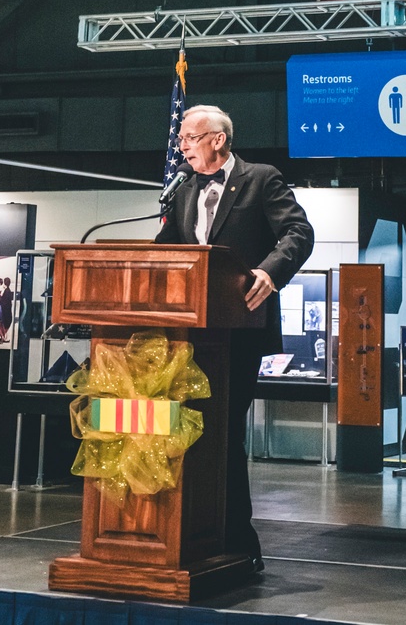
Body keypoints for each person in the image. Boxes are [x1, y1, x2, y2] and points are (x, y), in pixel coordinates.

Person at [155, 104, 313, 571]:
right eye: (181, 138)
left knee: (222, 432)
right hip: (187, 335)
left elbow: (298, 231)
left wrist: (270, 272)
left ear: (217, 139)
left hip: (238, 332)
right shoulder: (182, 189)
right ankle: (190, 535)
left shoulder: (261, 178)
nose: (181, 144)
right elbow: (167, 251)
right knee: (188, 433)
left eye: (188, 137)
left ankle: (237, 540)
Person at [0, 276, 13, 341]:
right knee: (6, 324)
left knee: (4, 324)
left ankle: (5, 337)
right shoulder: (8, 291)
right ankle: (4, 336)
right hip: (8, 310)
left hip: (5, 310)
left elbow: (3, 300)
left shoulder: (6, 291)